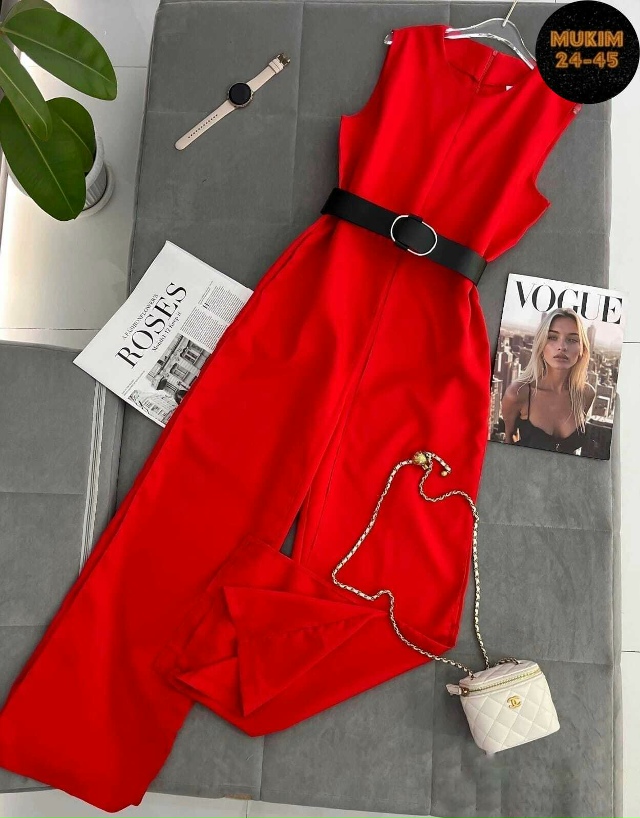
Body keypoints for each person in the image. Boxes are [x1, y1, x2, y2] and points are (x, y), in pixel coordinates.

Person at [502, 308, 595, 454]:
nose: (562, 347)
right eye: (552, 337)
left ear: (582, 349)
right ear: (541, 344)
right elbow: (508, 440)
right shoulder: (518, 393)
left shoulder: (586, 393)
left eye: (572, 340)